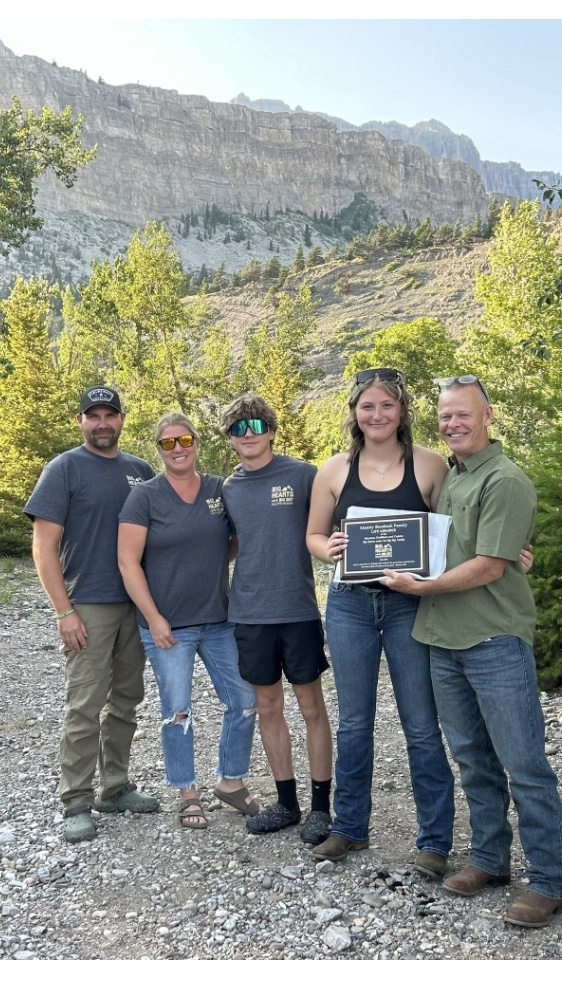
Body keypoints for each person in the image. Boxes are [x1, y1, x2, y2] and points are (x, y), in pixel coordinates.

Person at [380, 375, 562, 928]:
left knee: (524, 765)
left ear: (488, 415)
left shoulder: (505, 480)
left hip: (492, 641)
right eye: (445, 415)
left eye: (463, 413)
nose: (453, 423)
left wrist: (421, 588)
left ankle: (549, 880)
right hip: (443, 641)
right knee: (473, 760)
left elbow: (488, 567)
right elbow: (446, 546)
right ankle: (489, 860)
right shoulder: (455, 476)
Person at [306, 368, 455, 872]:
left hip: (410, 605)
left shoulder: (430, 465)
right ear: (354, 412)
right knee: (354, 722)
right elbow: (313, 535)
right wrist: (328, 548)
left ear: (402, 411)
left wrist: (510, 550)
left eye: (387, 405)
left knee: (421, 725)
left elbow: (453, 532)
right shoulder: (333, 470)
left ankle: (435, 842)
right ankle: (349, 828)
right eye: (367, 406)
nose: (377, 414)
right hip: (350, 603)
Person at [24, 386, 159, 844]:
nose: (103, 423)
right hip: (88, 604)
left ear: (122, 419)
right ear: (81, 421)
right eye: (93, 415)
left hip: (135, 604)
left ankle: (115, 787)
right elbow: (43, 547)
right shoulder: (63, 468)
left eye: (110, 415)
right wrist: (64, 611)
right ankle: (76, 801)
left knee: (126, 699)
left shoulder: (140, 471)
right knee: (85, 704)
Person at [117, 413, 259, 830]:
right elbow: (127, 562)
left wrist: (213, 562)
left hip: (219, 619)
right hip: (168, 626)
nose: (177, 449)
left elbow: (235, 540)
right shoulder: (144, 497)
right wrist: (153, 617)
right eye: (167, 443)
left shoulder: (219, 489)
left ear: (196, 442)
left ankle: (231, 781)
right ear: (158, 449)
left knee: (245, 699)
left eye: (184, 440)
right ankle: (187, 791)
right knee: (178, 709)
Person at [220, 394, 333, 845]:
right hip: (249, 613)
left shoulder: (303, 475)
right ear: (229, 439)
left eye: (256, 426)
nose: (248, 435)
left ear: (270, 430)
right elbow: (221, 543)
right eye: (238, 428)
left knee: (311, 708)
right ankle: (287, 803)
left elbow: (342, 519)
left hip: (297, 610)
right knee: (268, 708)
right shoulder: (227, 489)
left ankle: (321, 808)